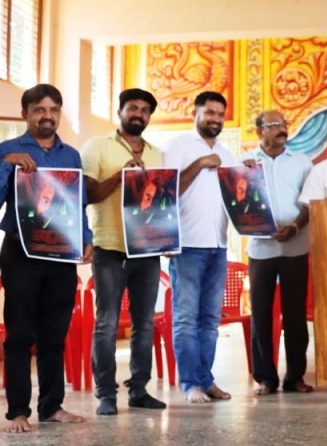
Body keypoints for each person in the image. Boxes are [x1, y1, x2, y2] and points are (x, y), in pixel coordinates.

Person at [0, 84, 92, 433]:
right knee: (20, 333)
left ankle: (52, 406)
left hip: (61, 253)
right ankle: (17, 412)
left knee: (54, 334)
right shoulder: (7, 150)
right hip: (21, 252)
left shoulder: (71, 156)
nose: (47, 116)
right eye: (39, 109)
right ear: (25, 114)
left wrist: (86, 238)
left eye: (53, 110)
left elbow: (77, 203)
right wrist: (5, 166)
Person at [81, 88, 167, 415]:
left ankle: (139, 390)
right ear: (120, 111)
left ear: (149, 116)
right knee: (107, 322)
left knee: (144, 323)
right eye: (133, 108)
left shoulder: (157, 154)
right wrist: (121, 177)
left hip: (146, 249)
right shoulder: (97, 146)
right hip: (109, 247)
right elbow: (87, 194)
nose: (138, 114)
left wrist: (167, 238)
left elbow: (162, 203)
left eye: (145, 110)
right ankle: (106, 394)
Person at [162, 91, 239, 404]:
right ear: (194, 112)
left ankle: (206, 381)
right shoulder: (179, 146)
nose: (215, 119)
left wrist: (246, 171)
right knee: (185, 319)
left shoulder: (227, 153)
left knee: (210, 320)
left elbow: (240, 194)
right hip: (187, 246)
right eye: (210, 112)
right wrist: (200, 164)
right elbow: (167, 189)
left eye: (220, 114)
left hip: (218, 245)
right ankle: (190, 384)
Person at [241, 110, 314, 396]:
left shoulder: (302, 162)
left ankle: (295, 377)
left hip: (296, 246)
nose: (282, 129)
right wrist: (242, 176)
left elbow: (310, 203)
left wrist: (295, 227)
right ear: (259, 131)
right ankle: (265, 378)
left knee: (295, 314)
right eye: (274, 125)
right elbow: (237, 200)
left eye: (284, 124)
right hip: (261, 249)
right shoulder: (245, 162)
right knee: (260, 314)